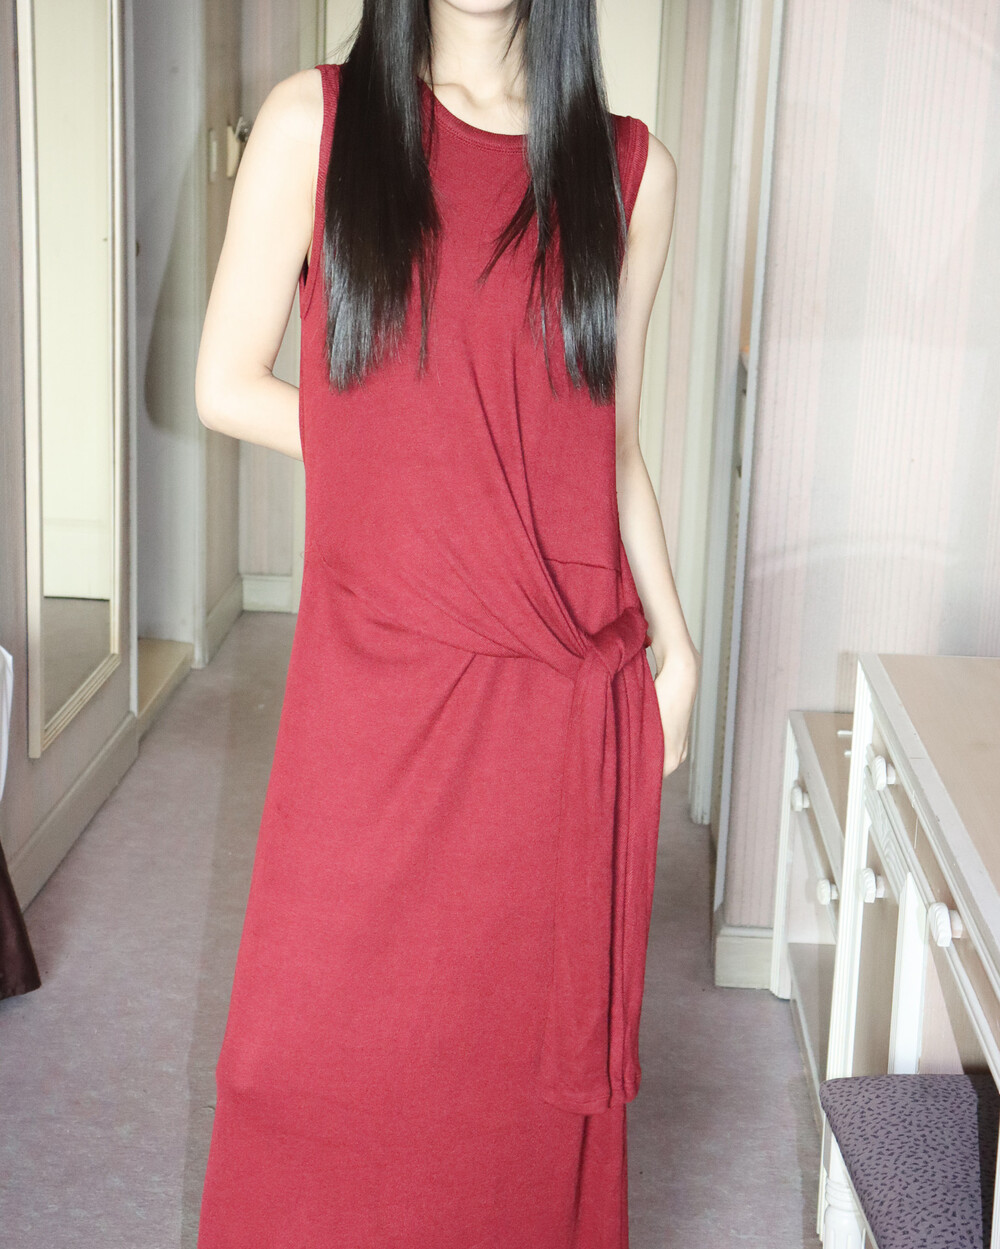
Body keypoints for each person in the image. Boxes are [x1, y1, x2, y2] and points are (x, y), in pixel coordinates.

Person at [194, 1, 699, 1244]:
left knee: (504, 1096)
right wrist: (426, 467)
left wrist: (677, 643)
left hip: (552, 693)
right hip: (379, 670)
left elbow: (610, 439)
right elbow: (224, 383)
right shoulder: (316, 124)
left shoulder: (629, 170)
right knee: (294, 1059)